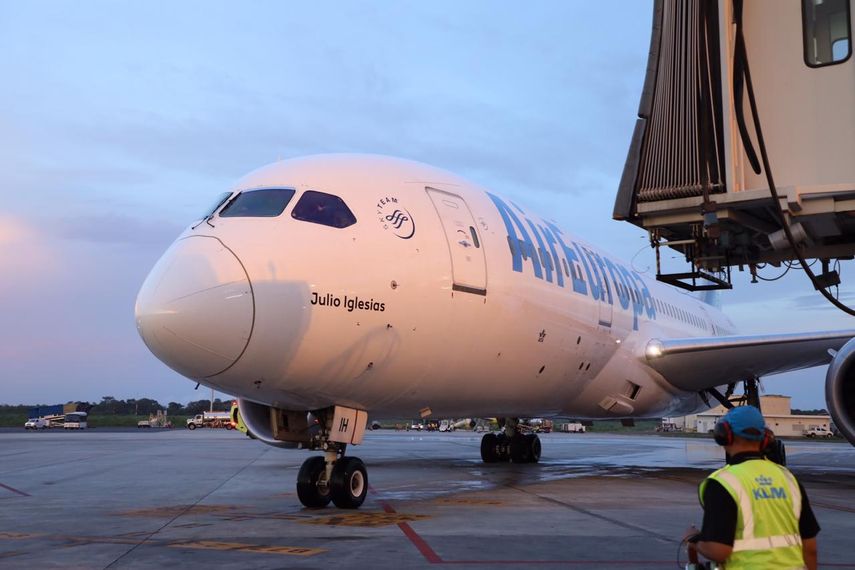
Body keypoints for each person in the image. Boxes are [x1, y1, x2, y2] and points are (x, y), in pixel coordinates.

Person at [684, 406, 819, 569]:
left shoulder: (723, 483)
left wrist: (694, 539)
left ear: (724, 436)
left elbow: (719, 551)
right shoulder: (788, 479)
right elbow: (810, 548)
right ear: (766, 438)